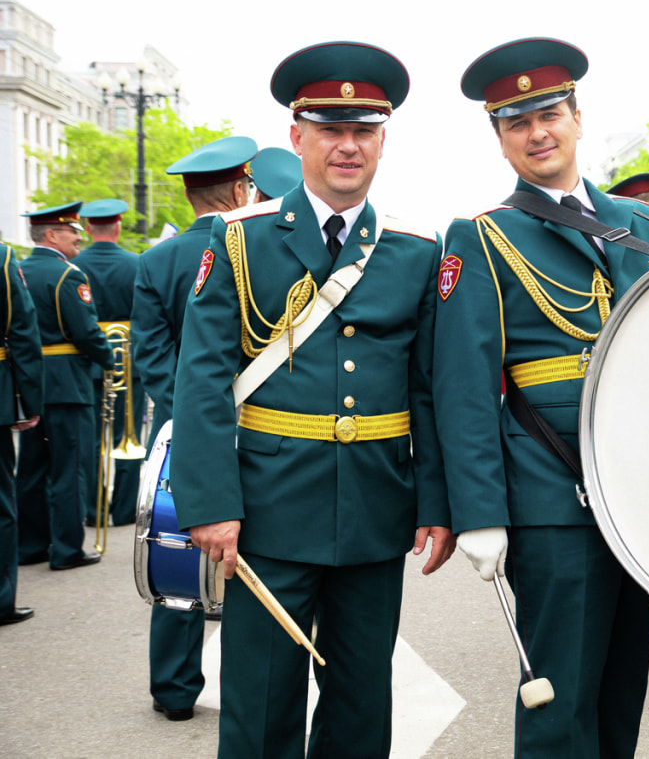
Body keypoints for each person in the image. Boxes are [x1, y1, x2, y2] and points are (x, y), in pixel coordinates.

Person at [169, 41, 454, 756]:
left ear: (383, 141)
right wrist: (209, 503)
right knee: (261, 703)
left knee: (362, 703)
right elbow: (201, 377)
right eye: (331, 129)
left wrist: (436, 502)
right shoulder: (240, 240)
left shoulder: (416, 251)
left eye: (364, 131)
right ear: (297, 137)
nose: (348, 146)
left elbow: (427, 389)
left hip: (374, 506)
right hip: (268, 508)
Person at [436, 37, 649, 758]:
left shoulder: (646, 230)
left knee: (617, 697)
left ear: (578, 117)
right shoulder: (481, 237)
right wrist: (480, 512)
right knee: (557, 706)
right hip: (551, 497)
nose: (538, 132)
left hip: (639, 498)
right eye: (517, 122)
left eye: (549, 112)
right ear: (502, 142)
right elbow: (464, 388)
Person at [132, 135, 255, 721]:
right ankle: (254, 690)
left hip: (184, 426)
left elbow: (152, 357)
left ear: (187, 195)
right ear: (239, 189)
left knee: (181, 549)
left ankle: (174, 689)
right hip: (261, 423)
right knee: (262, 556)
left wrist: (192, 413)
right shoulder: (257, 247)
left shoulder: (154, 261)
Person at [16, 202, 113, 571]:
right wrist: (110, 360)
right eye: (72, 230)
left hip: (28, 385)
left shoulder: (18, 270)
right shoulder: (67, 275)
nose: (79, 236)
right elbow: (86, 332)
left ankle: (31, 545)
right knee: (70, 469)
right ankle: (67, 549)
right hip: (68, 383)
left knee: (32, 468)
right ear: (52, 235)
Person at [74, 198, 143, 527]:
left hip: (84, 361)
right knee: (126, 434)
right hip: (127, 359)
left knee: (90, 439)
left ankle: (92, 509)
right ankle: (124, 509)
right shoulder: (137, 263)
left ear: (88, 230)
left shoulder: (73, 265)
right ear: (117, 227)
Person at [0, 242, 44, 625]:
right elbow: (22, 330)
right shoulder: (2, 257)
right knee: (1, 502)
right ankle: (1, 600)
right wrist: (28, 401)